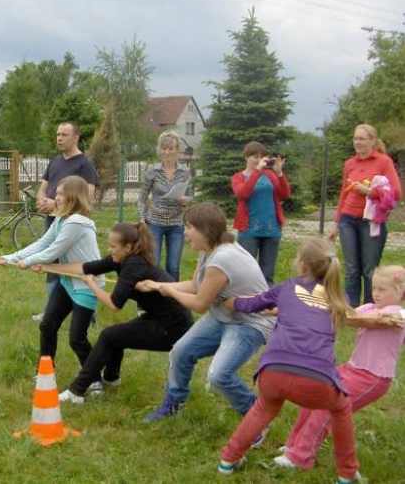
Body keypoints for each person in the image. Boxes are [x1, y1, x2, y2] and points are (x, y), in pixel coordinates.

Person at [217, 237, 360, 483]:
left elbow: (250, 304)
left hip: (274, 371)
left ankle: (228, 460)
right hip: (319, 380)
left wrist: (229, 301)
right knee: (341, 409)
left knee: (263, 408)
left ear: (303, 265)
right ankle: (347, 473)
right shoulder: (340, 297)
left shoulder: (287, 287)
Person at [137, 203, 274, 424]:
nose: (184, 232)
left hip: (250, 323)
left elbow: (200, 303)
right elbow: (195, 285)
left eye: (189, 227)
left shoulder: (223, 258)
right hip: (223, 316)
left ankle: (256, 416)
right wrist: (156, 285)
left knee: (219, 377)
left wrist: (169, 290)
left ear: (205, 229)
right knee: (180, 352)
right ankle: (174, 404)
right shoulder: (209, 251)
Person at [33, 222, 193, 404]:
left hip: (173, 328)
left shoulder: (134, 264)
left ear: (128, 247)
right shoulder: (121, 259)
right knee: (115, 335)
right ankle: (111, 378)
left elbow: (114, 305)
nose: (109, 250)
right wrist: (47, 267)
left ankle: (76, 390)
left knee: (109, 336)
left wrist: (92, 285)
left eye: (112, 246)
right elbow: (85, 267)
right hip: (159, 318)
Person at [275, 264, 405, 472]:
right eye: (374, 288)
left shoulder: (396, 314)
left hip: (373, 378)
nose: (376, 293)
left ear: (399, 291)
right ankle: (294, 444)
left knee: (327, 408)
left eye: (382, 289)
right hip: (353, 368)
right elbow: (346, 313)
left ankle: (301, 457)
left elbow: (361, 320)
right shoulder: (372, 309)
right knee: (312, 397)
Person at [0, 175, 103, 371]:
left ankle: (94, 378)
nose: (56, 197)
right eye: (57, 193)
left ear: (73, 197)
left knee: (77, 339)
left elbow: (54, 251)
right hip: (68, 281)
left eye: (61, 194)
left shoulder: (76, 222)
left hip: (87, 285)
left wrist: (28, 262)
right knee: (47, 326)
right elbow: (42, 243)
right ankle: (45, 371)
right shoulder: (61, 220)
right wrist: (11, 257)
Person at [329, 124, 402, 306]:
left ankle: (370, 307)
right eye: (355, 138)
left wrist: (370, 191)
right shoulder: (350, 164)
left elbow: (396, 192)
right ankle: (351, 309)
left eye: (362, 138)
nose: (357, 142)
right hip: (348, 219)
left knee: (370, 269)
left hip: (371, 221)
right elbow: (344, 194)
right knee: (352, 269)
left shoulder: (383, 162)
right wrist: (336, 223)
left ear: (372, 141)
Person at [34, 121, 98, 321]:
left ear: (76, 138)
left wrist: (56, 205)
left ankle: (89, 313)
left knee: (78, 268)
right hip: (53, 222)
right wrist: (43, 201)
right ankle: (51, 311)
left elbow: (87, 196)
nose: (59, 138)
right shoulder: (55, 162)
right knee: (52, 266)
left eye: (64, 134)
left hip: (74, 225)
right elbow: (43, 188)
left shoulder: (84, 164)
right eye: (57, 134)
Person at [231, 141, 291, 287]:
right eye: (255, 157)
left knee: (267, 273)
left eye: (262, 157)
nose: (258, 160)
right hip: (249, 230)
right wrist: (257, 172)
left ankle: (267, 304)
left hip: (272, 229)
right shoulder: (238, 177)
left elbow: (285, 194)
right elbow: (243, 193)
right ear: (246, 157)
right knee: (246, 271)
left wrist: (279, 174)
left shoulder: (270, 175)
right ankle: (247, 304)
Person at [138, 130, 192, 281]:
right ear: (160, 149)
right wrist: (142, 218)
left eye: (171, 148)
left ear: (177, 150)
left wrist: (185, 200)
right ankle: (150, 300)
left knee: (173, 267)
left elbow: (191, 195)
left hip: (176, 223)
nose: (167, 152)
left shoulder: (185, 171)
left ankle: (172, 300)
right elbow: (142, 197)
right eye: (164, 148)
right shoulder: (152, 170)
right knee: (152, 264)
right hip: (154, 222)